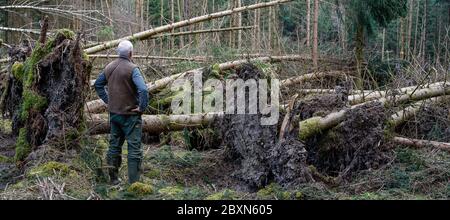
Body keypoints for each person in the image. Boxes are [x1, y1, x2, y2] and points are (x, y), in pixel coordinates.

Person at [94, 40, 149, 185]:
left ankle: (113, 180)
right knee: (134, 149)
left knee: (114, 146)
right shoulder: (133, 69)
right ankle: (134, 183)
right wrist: (142, 108)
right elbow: (143, 89)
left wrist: (108, 101)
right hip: (131, 116)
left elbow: (98, 84)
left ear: (118, 52)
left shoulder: (109, 67)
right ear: (131, 53)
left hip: (114, 115)